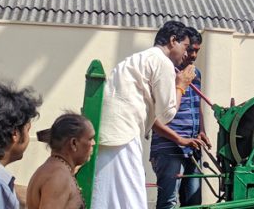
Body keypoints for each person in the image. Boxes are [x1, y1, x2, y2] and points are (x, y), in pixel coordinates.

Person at [91, 20, 191, 208]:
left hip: (109, 133)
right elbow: (167, 114)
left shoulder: (138, 58)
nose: (186, 53)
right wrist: (181, 86)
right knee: (131, 196)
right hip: (124, 134)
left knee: (106, 194)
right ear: (172, 41)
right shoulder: (162, 61)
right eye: (185, 46)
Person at [150, 27, 212, 208]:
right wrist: (180, 139)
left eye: (197, 51)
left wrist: (201, 131)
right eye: (190, 49)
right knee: (168, 202)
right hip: (169, 147)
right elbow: (158, 115)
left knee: (193, 203)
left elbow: (196, 104)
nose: (192, 55)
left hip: (193, 147)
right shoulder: (167, 71)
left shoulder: (196, 74)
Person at [27, 113, 96, 209]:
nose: (93, 143)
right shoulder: (58, 176)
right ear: (74, 143)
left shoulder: (58, 170)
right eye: (90, 139)